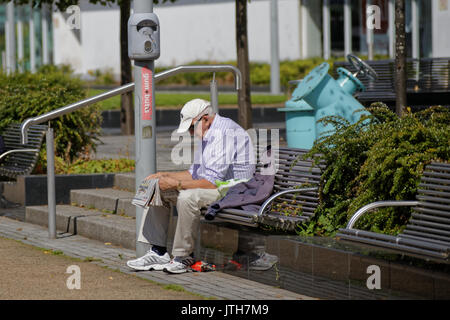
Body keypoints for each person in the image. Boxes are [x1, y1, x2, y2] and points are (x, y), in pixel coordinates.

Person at [127, 98, 255, 274]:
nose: (191, 132)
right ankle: (158, 252)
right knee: (158, 187)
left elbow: (210, 183)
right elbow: (194, 174)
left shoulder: (224, 133)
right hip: (219, 186)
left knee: (188, 197)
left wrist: (177, 183)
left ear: (206, 118)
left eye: (192, 127)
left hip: (234, 191)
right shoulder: (208, 133)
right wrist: (165, 176)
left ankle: (183, 257)